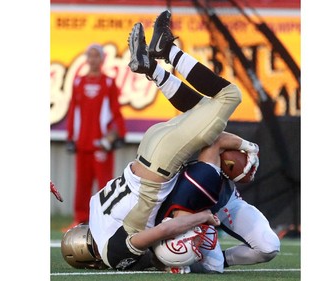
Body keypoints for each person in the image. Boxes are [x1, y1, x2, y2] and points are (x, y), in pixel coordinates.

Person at [61, 10, 258, 271]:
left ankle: (166, 50)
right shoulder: (95, 209)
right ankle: (151, 68)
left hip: (160, 164)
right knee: (200, 107)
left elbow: (160, 232)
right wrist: (245, 145)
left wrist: (202, 218)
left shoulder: (114, 253)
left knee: (229, 95)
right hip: (150, 147)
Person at [153, 131, 280, 273]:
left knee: (269, 247)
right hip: (195, 217)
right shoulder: (196, 183)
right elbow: (173, 224)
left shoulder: (207, 168)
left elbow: (217, 137)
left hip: (226, 202)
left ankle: (221, 259)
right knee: (213, 267)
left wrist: (250, 147)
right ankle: (162, 261)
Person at [64, 43, 127, 231]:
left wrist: (120, 134)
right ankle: (81, 220)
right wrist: (70, 137)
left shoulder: (108, 83)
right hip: (82, 144)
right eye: (89, 55)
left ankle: (106, 220)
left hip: (102, 145)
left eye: (96, 55)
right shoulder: (78, 82)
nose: (93, 59)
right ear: (86, 59)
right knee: (82, 185)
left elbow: (116, 111)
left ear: (102, 59)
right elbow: (73, 111)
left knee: (105, 185)